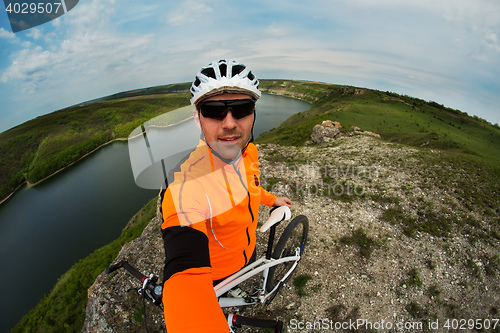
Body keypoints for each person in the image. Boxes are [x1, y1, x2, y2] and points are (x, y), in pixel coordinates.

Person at [159, 59, 292, 332]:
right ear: (198, 118)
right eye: (213, 111)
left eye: (241, 109)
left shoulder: (249, 152)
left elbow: (251, 185)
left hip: (248, 251)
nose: (230, 124)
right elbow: (184, 272)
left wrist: (271, 199)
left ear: (253, 113)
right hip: (218, 274)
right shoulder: (184, 185)